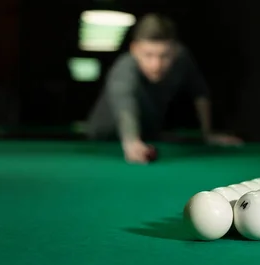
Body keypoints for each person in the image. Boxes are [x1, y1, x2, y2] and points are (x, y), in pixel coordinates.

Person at [86, 13, 241, 163]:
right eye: (148, 55)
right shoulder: (124, 68)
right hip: (103, 138)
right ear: (134, 49)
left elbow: (199, 92)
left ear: (174, 50)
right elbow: (124, 101)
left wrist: (207, 134)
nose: (156, 65)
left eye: (164, 55)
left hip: (148, 135)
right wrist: (131, 141)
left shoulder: (182, 59)